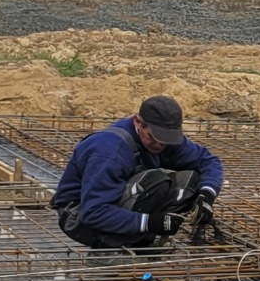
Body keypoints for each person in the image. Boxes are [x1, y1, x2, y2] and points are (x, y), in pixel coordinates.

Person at [51, 96, 225, 250]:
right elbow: (94, 212)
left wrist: (207, 195)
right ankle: (113, 244)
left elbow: (208, 160)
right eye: (152, 137)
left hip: (113, 202)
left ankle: (139, 238)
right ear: (137, 122)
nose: (159, 145)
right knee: (155, 181)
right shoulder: (110, 152)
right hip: (79, 217)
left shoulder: (164, 141)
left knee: (190, 181)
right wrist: (149, 223)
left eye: (165, 141)